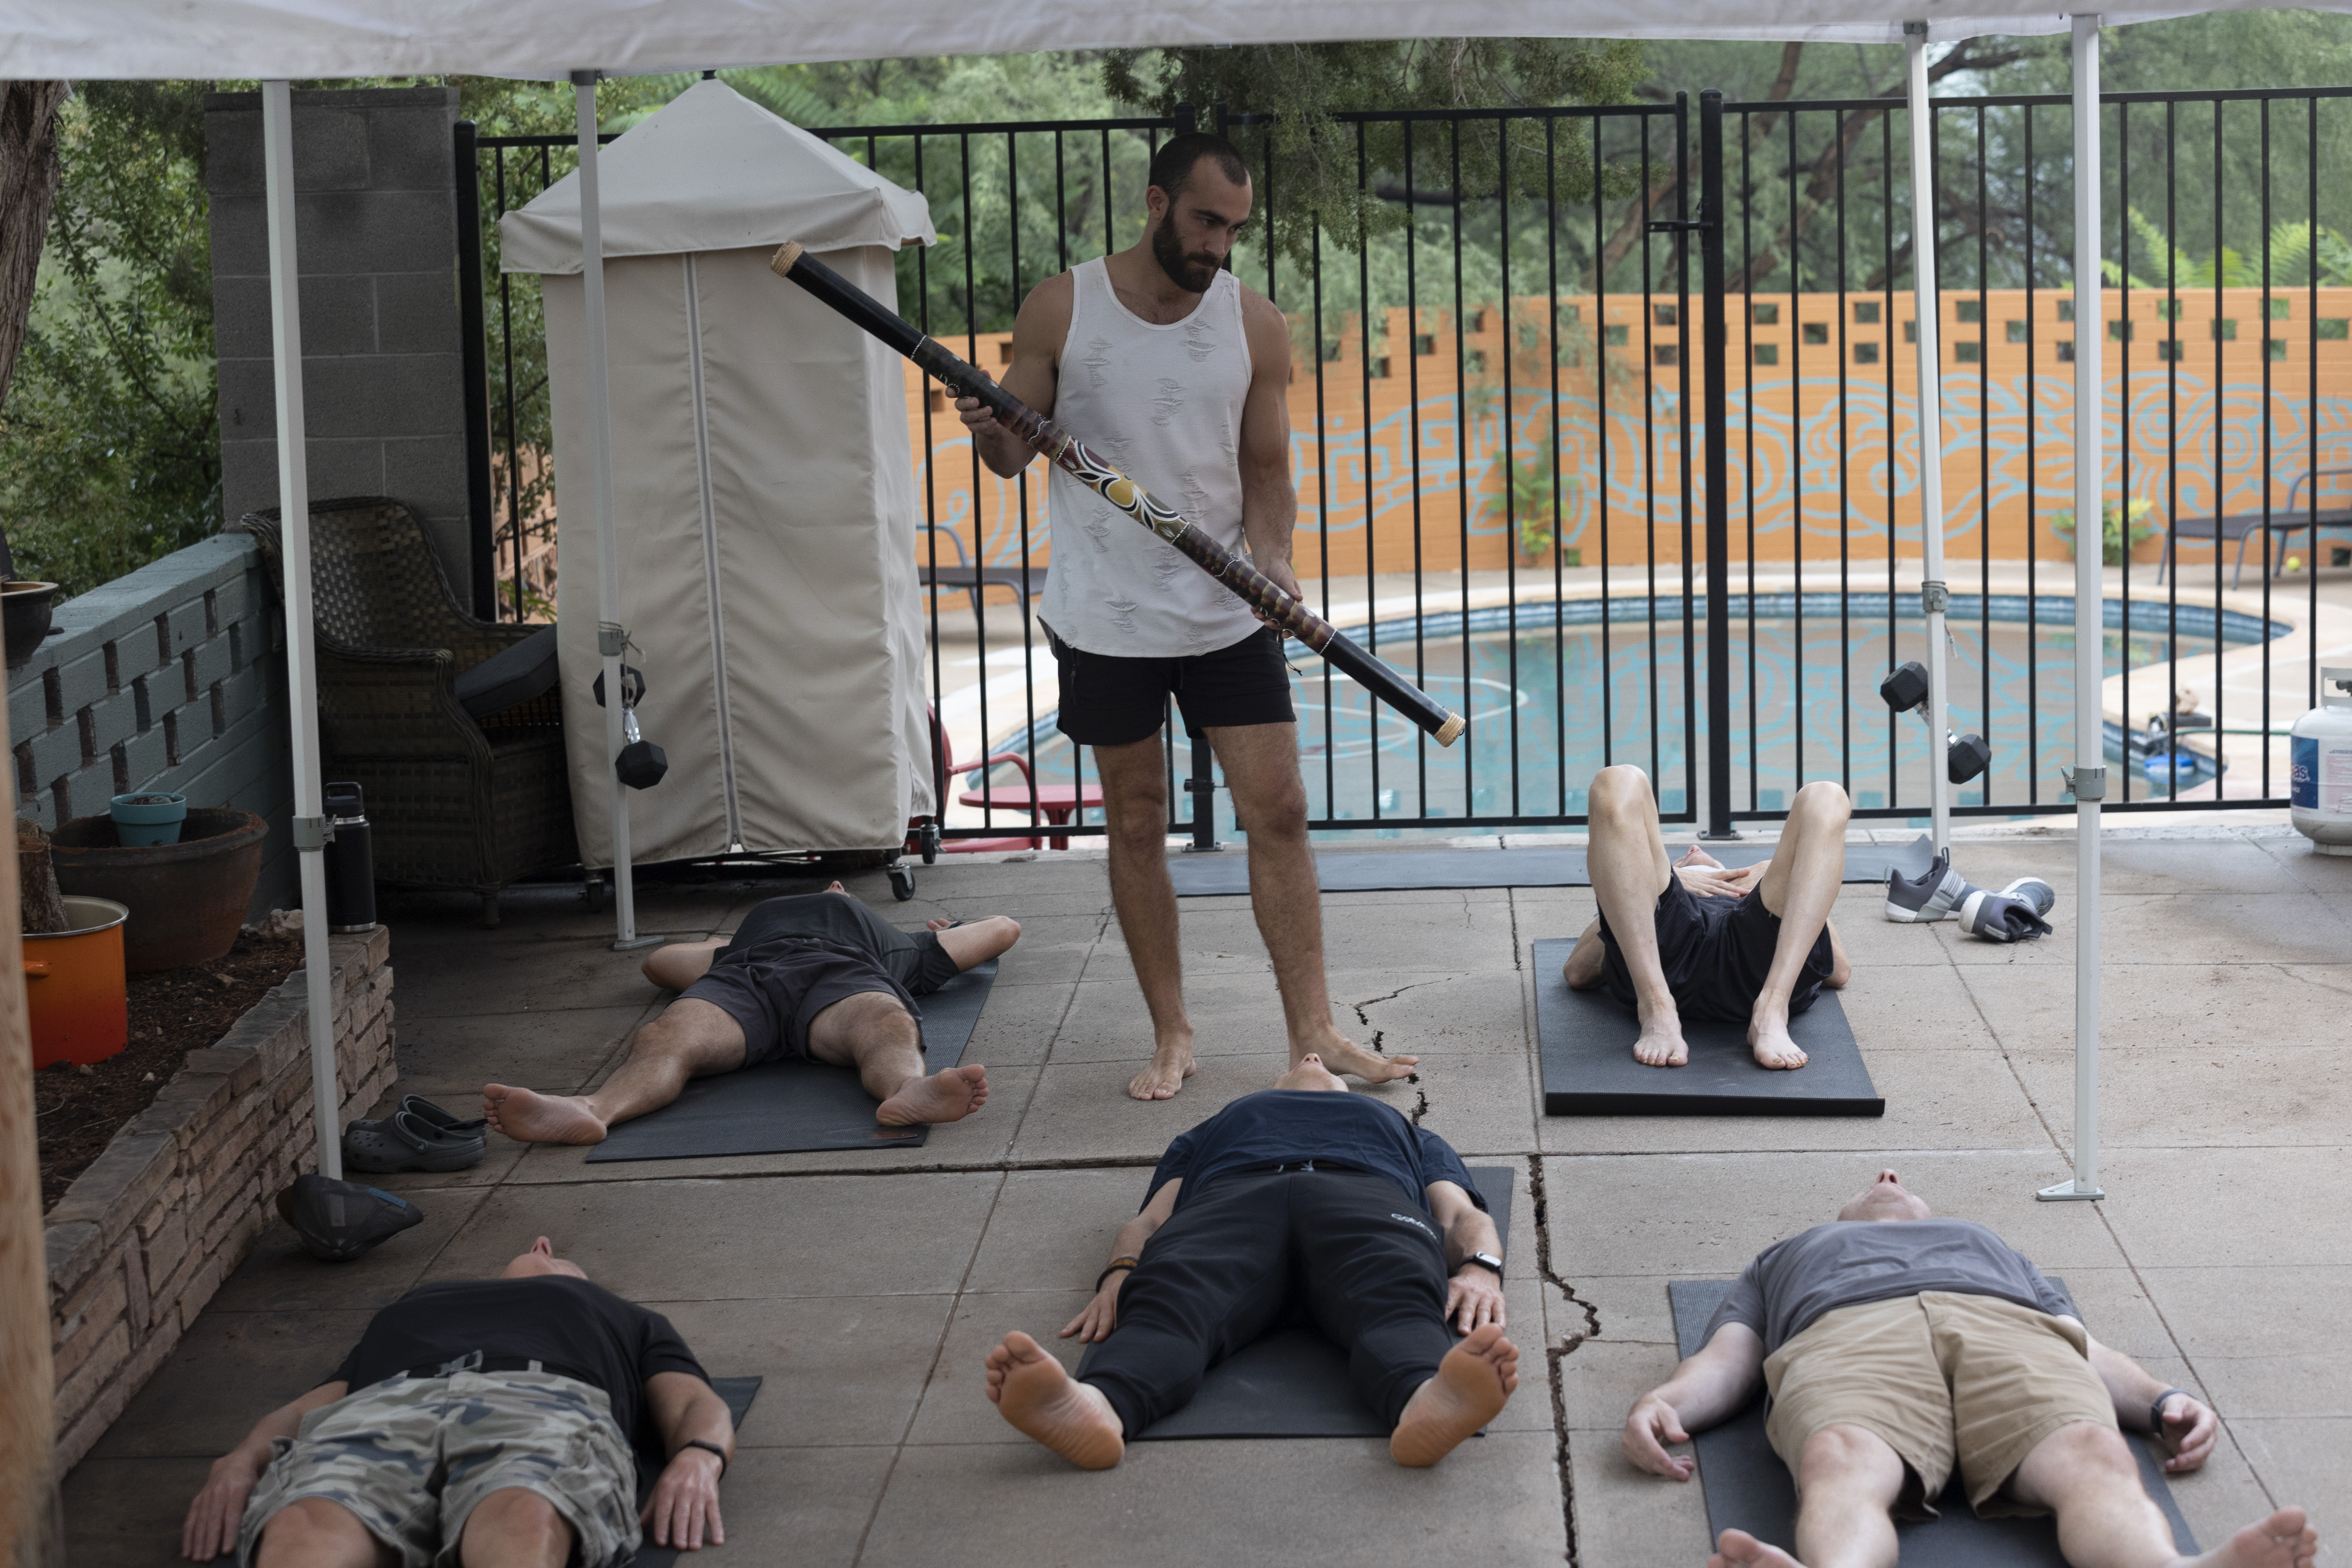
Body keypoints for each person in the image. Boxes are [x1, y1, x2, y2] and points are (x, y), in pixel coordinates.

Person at [954, 129, 1414, 1102]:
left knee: (1278, 813)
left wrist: (1275, 558)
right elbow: (1009, 454)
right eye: (1206, 220)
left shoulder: (1251, 324)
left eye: (1234, 228)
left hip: (1222, 611)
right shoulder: (1062, 306)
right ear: (1157, 204)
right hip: (1103, 615)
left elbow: (1264, 469)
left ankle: (1315, 1031)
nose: (1218, 244)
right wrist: (993, 428)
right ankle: (1172, 1034)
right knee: (1135, 818)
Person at [1621, 1169, 2321, 1568]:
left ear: (1929, 1209)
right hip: (1850, 1333)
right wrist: (1664, 1401)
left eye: (1899, 1179)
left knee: (2093, 1448)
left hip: (2006, 1327)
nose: (1888, 1177)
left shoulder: (1986, 1241)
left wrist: (2160, 1396)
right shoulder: (1788, 1254)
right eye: (1873, 1180)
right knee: (1839, 1456)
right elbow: (1730, 1357)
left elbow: (2081, 1343)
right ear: (1841, 1214)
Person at [981, 1053, 1518, 1470]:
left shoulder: (1399, 1124)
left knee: (1397, 1287)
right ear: (1271, 1090)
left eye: (1324, 1063)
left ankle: (1424, 1398)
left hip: (1360, 1195)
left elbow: (1458, 1212)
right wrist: (1122, 1273)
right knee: (1171, 1297)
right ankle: (1098, 1408)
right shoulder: (1219, 1124)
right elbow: (1150, 1221)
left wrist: (1480, 1267)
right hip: (1234, 1199)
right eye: (1302, 1061)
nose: (1313, 1058)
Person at [180, 1236, 732, 1567]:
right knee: (304, 1525)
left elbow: (692, 1403)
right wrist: (240, 1461)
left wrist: (700, 1457)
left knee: (526, 1512)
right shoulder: (416, 1305)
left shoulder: (618, 1314)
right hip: (387, 1407)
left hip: (537, 1402)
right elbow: (313, 1405)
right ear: (542, 1247)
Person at [482, 883, 1020, 1143]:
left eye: (840, 891)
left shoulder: (902, 946)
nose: (832, 888)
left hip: (844, 976)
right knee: (667, 1036)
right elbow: (657, 963)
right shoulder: (736, 944)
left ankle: (905, 1091)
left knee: (884, 1025)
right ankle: (594, 1109)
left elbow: (1004, 928)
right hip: (745, 975)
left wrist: (947, 937)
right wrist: (724, 947)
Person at [1562, 765, 1853, 1071]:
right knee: (1617, 780)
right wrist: (1650, 884)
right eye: (1687, 856)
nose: (1694, 848)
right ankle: (1657, 1008)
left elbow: (1839, 971)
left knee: (1828, 796)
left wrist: (1786, 884)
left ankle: (1771, 1011)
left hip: (1759, 961)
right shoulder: (1659, 890)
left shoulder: (1761, 885)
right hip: (1663, 957)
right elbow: (1579, 972)